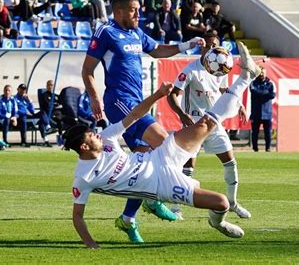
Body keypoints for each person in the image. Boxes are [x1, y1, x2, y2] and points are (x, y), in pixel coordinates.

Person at [69, 43, 260, 249]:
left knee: (206, 124)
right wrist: (91, 244)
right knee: (221, 203)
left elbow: (133, 115)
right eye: (91, 136)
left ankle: (246, 76)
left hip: (161, 156)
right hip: (162, 185)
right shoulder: (83, 177)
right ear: (84, 147)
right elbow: (77, 217)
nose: (97, 134)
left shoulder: (106, 137)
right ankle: (217, 221)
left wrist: (158, 94)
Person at [81, 0, 205, 244]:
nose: (139, 14)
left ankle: (127, 219)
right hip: (119, 103)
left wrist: (187, 45)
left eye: (139, 9)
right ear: (119, 12)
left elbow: (158, 50)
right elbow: (87, 70)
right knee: (165, 143)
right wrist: (95, 98)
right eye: (134, 10)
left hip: (136, 103)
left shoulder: (136, 33)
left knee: (144, 162)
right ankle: (154, 199)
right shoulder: (105, 32)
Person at [167, 43, 252, 220]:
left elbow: (224, 91)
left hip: (214, 122)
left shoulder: (219, 68)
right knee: (188, 167)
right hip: (194, 123)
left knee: (230, 163)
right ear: (203, 50)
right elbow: (173, 94)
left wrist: (240, 104)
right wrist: (183, 116)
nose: (213, 49)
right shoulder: (191, 69)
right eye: (209, 46)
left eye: (215, 45)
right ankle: (176, 207)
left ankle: (233, 203)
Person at [249, 65, 276, 152]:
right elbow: (254, 92)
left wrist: (262, 94)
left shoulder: (270, 84)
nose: (261, 74)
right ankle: (255, 148)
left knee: (268, 132)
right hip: (256, 112)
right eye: (260, 73)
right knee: (255, 132)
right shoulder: (253, 83)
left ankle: (268, 148)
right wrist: (266, 94)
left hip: (267, 113)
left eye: (263, 73)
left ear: (265, 73)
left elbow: (273, 95)